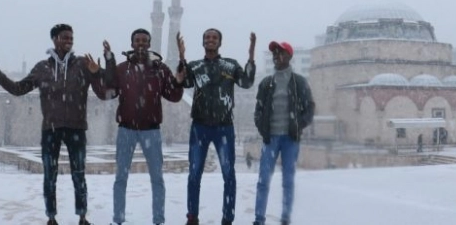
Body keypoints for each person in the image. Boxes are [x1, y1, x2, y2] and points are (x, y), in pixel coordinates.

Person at [0, 24, 103, 225]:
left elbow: (106, 83)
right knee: (50, 175)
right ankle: (51, 218)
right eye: (65, 37)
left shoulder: (82, 64)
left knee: (79, 174)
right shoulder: (42, 69)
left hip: (76, 127)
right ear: (54, 39)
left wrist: (99, 70)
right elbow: (17, 89)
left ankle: (82, 217)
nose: (69, 41)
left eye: (71, 37)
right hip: (51, 129)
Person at [99, 29, 185, 225]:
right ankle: (118, 219)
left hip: (151, 131)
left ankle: (158, 220)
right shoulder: (122, 69)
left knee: (157, 179)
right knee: (121, 178)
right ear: (132, 43)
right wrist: (105, 64)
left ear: (149, 44)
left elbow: (173, 95)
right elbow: (109, 90)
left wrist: (179, 82)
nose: (140, 44)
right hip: (126, 129)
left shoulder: (159, 69)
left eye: (144, 41)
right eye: (137, 40)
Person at [179, 28, 256, 225]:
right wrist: (182, 58)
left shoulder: (230, 65)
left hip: (224, 127)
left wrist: (251, 57)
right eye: (207, 37)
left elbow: (246, 82)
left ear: (220, 42)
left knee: (229, 174)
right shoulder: (195, 66)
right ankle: (192, 216)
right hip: (200, 126)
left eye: (214, 38)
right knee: (194, 173)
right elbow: (184, 83)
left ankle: (227, 218)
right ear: (203, 42)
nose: (210, 40)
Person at [252, 41, 315, 225]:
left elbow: (309, 108)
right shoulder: (266, 83)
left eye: (280, 53)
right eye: (274, 53)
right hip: (270, 138)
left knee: (288, 180)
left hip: (290, 140)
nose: (276, 56)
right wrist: (261, 126)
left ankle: (286, 218)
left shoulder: (299, 82)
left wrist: (298, 125)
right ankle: (259, 219)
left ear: (289, 57)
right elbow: (258, 109)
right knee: (263, 180)